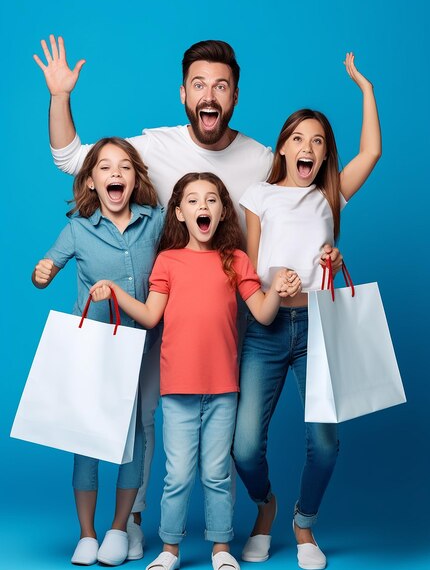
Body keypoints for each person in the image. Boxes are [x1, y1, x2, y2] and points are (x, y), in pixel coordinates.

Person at [33, 36, 341, 550]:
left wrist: (325, 257)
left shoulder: (263, 160)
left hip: (238, 322)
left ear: (235, 97)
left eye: (221, 85)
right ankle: (130, 518)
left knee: (229, 447)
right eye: (199, 83)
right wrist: (61, 96)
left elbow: (308, 207)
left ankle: (231, 531)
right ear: (184, 94)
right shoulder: (154, 147)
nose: (210, 93)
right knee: (149, 415)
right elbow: (72, 159)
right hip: (162, 309)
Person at [89, 172, 302, 570]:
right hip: (177, 391)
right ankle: (170, 550)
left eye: (211, 200)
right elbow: (152, 316)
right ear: (179, 212)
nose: (202, 207)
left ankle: (221, 548)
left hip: (224, 390)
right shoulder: (168, 261)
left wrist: (277, 288)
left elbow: (263, 313)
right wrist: (117, 293)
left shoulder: (236, 261)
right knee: (178, 476)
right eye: (193, 200)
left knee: (217, 474)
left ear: (223, 212)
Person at [232, 53, 381, 570]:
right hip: (266, 326)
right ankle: (265, 506)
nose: (308, 148)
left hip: (317, 326)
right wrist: (271, 284)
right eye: (299, 138)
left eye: (318, 141)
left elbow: (372, 151)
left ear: (324, 155)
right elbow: (246, 270)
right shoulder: (259, 195)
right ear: (283, 147)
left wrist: (363, 87)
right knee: (245, 446)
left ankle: (303, 523)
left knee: (326, 443)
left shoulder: (328, 197)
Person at [32, 137, 164, 566]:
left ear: (135, 179)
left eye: (124, 167)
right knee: (87, 439)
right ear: (90, 181)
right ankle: (87, 534)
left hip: (142, 347)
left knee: (136, 437)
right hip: (91, 350)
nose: (115, 175)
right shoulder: (77, 228)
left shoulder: (156, 222)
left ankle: (118, 528)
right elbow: (44, 273)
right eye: (105, 168)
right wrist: (43, 273)